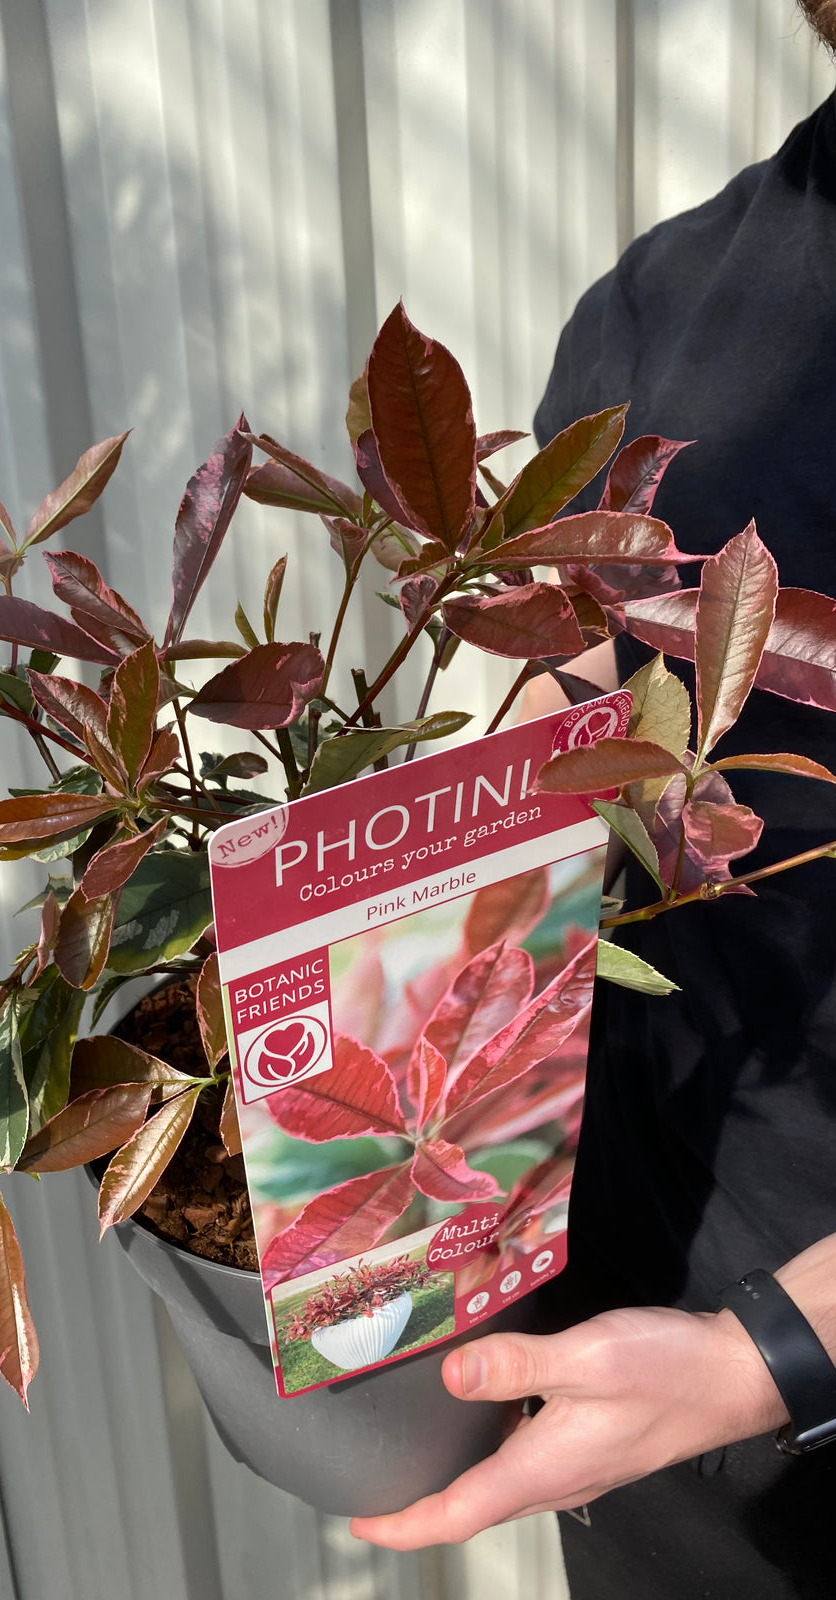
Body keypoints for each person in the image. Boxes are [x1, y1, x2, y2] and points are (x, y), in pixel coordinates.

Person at [351, 8, 836, 1595]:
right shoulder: (661, 303)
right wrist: (321, 1012)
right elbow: (551, 788)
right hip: (649, 1370)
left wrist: (774, 1351)